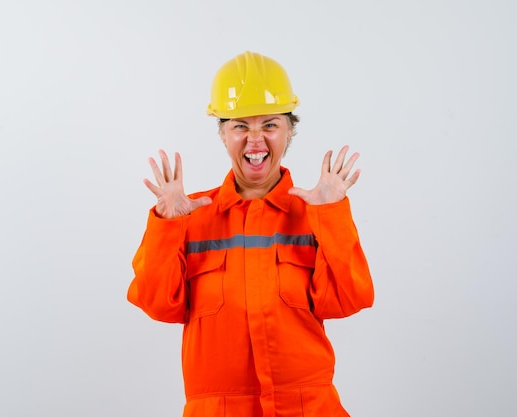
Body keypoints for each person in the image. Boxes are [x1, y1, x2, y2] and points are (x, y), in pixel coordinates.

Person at [127, 51, 374, 417]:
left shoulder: (315, 214)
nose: (255, 140)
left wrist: (331, 216)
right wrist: (167, 226)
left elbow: (349, 299)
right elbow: (158, 304)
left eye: (270, 125)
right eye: (240, 126)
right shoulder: (191, 216)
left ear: (290, 130)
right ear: (223, 134)